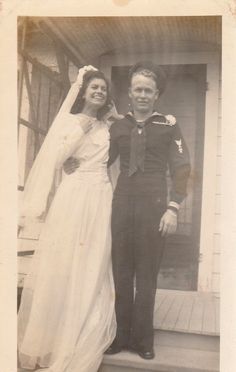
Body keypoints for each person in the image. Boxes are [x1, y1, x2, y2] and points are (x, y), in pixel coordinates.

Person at [64, 61, 191, 360]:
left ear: (156, 94)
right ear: (130, 94)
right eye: (138, 90)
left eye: (148, 90)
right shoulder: (118, 126)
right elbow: (101, 159)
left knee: (146, 275)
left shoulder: (169, 125)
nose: (143, 95)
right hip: (121, 206)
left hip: (155, 207)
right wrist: (74, 161)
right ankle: (120, 336)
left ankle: (144, 339)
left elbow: (183, 168)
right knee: (121, 273)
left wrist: (173, 208)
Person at [18, 66, 117, 372]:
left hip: (100, 197)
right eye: (94, 88)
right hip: (73, 197)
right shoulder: (71, 121)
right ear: (83, 92)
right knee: (64, 262)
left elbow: (111, 156)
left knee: (93, 260)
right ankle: (54, 341)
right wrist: (81, 130)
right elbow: (57, 158)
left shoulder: (108, 125)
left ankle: (83, 332)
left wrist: (108, 121)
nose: (98, 92)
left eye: (103, 89)